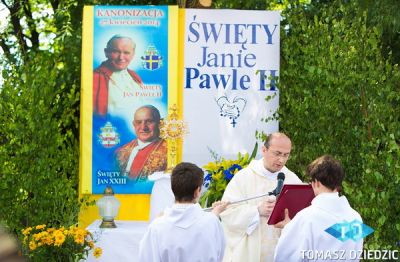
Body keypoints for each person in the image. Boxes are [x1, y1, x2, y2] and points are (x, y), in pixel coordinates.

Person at [220, 132, 302, 262]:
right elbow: (227, 213)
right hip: (250, 254)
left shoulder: (293, 180)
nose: (281, 160)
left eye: (286, 155)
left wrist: (289, 220)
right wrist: (256, 211)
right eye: (277, 153)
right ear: (264, 150)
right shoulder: (243, 178)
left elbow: (303, 216)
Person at [274, 155, 363, 262]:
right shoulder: (355, 218)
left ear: (316, 182)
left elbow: (285, 258)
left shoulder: (306, 218)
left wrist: (290, 228)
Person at [138, 162, 228, 262]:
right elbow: (220, 254)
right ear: (197, 191)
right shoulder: (212, 222)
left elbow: (146, 258)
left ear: (172, 189)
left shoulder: (157, 226)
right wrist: (214, 215)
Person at [93, 35, 143, 116]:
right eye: (116, 52)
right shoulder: (94, 77)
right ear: (106, 52)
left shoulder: (135, 76)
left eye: (126, 52)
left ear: (133, 54)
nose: (121, 57)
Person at [116, 105, 167, 181]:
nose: (143, 127)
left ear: (160, 123)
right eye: (139, 122)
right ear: (134, 124)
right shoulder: (120, 152)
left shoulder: (169, 152)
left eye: (149, 121)